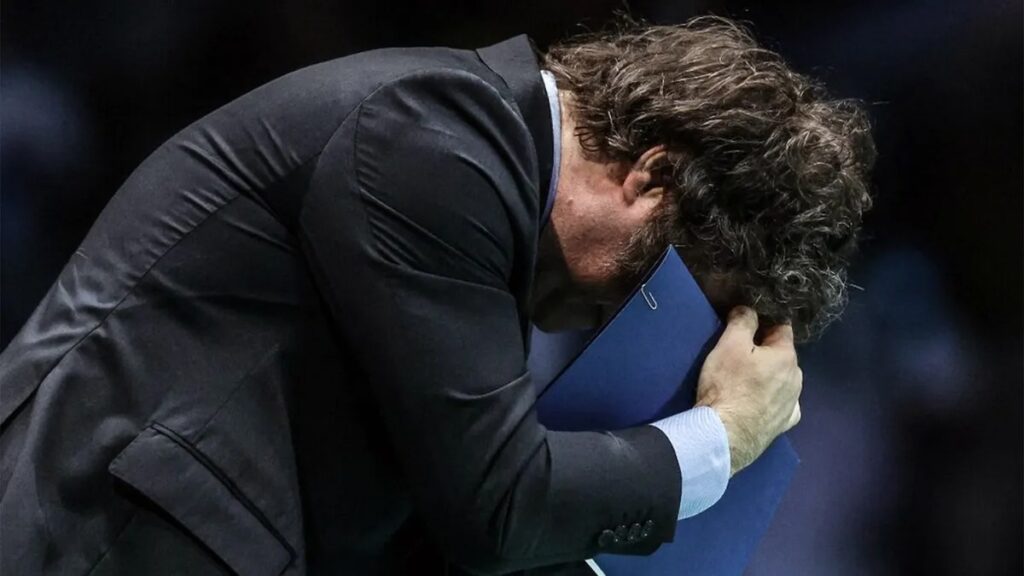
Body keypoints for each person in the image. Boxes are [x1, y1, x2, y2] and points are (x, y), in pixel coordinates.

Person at [0, 16, 874, 576]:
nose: (613, 322)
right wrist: (723, 437)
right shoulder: (431, 136)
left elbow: (450, 518)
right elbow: (500, 505)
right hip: (88, 540)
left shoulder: (475, 196)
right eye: (653, 292)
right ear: (652, 178)